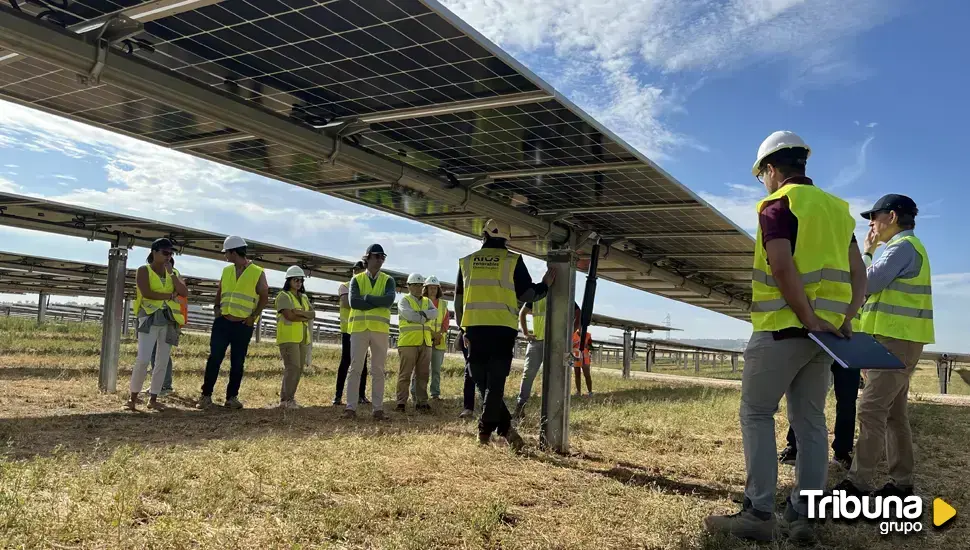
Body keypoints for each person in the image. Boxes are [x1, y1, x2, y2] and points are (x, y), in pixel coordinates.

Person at [704, 131, 866, 544]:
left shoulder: (778, 204)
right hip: (826, 337)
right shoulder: (838, 210)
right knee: (811, 421)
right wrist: (842, 318)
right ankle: (804, 514)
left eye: (763, 176)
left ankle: (758, 513)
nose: (764, 183)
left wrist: (808, 317)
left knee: (757, 413)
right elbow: (858, 272)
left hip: (782, 328)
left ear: (772, 170)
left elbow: (781, 266)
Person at [835, 194, 933, 498]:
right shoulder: (903, 248)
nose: (871, 224)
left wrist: (865, 253)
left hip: (897, 341)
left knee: (871, 409)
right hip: (898, 340)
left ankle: (858, 483)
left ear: (891, 217)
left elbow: (867, 282)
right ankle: (901, 482)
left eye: (874, 217)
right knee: (894, 414)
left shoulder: (903, 247)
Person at [456, 219, 555, 451]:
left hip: (474, 329)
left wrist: (462, 329)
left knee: (481, 380)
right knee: (495, 383)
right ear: (506, 239)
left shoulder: (467, 262)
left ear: (484, 235)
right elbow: (529, 294)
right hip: (502, 330)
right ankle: (496, 429)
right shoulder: (513, 260)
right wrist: (545, 285)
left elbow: (458, 299)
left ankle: (491, 430)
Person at [198, 235, 269, 410]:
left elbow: (264, 296)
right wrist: (217, 309)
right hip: (223, 322)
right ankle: (206, 396)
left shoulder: (257, 272)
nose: (225, 256)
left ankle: (231, 397)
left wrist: (253, 317)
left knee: (237, 362)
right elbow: (220, 290)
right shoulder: (227, 271)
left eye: (226, 253)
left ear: (234, 252)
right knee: (214, 359)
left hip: (242, 325)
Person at [126, 238, 187, 411]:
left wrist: (173, 276)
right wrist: (169, 296)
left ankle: (153, 398)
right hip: (150, 318)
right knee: (143, 359)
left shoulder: (173, 272)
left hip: (168, 320)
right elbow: (147, 293)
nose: (168, 256)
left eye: (171, 254)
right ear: (154, 252)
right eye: (165, 253)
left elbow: (183, 292)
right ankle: (132, 397)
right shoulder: (143, 270)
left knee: (162, 360)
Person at [344, 244, 396, 420]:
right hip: (359, 329)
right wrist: (376, 302)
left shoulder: (388, 280)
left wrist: (367, 298)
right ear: (368, 257)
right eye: (377, 256)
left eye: (383, 256)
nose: (380, 259)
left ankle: (378, 409)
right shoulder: (356, 280)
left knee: (378, 370)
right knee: (355, 368)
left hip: (379, 330)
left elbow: (388, 300)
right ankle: (350, 408)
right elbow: (354, 303)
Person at [778, 360, 860, 469]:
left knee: (847, 402)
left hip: (848, 349)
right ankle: (794, 447)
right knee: (806, 397)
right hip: (821, 348)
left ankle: (842, 452)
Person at [146, 255, 187, 396]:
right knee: (154, 352)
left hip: (171, 319)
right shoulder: (154, 275)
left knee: (162, 355)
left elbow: (183, 292)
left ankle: (165, 386)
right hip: (157, 318)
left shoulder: (174, 275)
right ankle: (157, 385)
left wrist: (171, 274)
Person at [396, 273, 437, 412]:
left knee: (423, 374)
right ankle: (401, 402)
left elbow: (435, 313)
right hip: (408, 342)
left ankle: (422, 402)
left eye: (421, 285)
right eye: (415, 285)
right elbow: (409, 315)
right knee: (405, 374)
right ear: (409, 286)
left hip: (425, 342)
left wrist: (420, 315)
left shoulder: (427, 301)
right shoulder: (404, 301)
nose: (419, 288)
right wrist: (425, 316)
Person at [276, 266, 315, 409]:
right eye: (295, 280)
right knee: (292, 368)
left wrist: (299, 313)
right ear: (289, 280)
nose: (298, 283)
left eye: (301, 280)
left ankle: (290, 398)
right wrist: (303, 315)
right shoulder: (283, 296)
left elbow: (312, 314)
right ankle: (285, 400)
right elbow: (289, 316)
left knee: (298, 369)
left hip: (302, 338)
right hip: (288, 337)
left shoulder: (304, 297)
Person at [334, 261, 369, 406]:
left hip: (362, 329)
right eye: (355, 270)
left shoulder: (367, 287)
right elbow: (346, 303)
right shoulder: (345, 286)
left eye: (359, 270)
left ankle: (361, 395)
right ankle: (338, 396)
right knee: (346, 362)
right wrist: (364, 300)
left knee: (363, 364)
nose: (357, 272)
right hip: (349, 330)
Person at [411, 275, 448, 401]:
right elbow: (420, 320)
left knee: (436, 370)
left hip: (438, 341)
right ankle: (415, 392)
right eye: (430, 288)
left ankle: (435, 393)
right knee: (420, 370)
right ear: (425, 289)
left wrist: (439, 334)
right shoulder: (421, 302)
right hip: (424, 340)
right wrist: (433, 334)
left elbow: (445, 322)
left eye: (435, 288)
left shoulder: (443, 304)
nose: (433, 290)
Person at [513, 298, 545, 419]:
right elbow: (522, 313)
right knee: (528, 374)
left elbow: (577, 313)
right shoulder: (537, 295)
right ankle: (520, 407)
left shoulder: (562, 293)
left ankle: (553, 408)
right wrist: (525, 333)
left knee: (553, 377)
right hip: (536, 341)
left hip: (554, 344)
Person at [457, 328, 477, 418]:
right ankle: (468, 408)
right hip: (470, 334)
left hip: (492, 334)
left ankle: (490, 408)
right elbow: (460, 315)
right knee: (470, 371)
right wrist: (464, 331)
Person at [573, 329, 594, 396]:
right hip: (575, 356)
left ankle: (590, 392)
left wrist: (586, 346)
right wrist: (575, 343)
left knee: (587, 375)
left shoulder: (588, 335)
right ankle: (578, 392)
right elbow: (567, 345)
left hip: (585, 358)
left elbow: (591, 347)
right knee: (577, 374)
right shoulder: (572, 334)